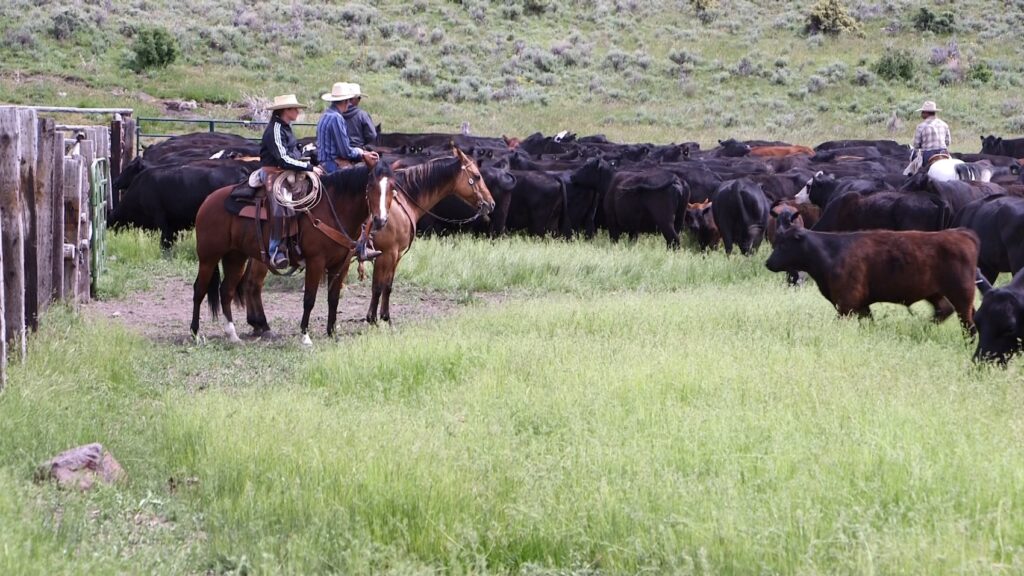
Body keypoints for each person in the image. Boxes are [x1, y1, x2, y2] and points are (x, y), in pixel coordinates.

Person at [318, 82, 381, 261]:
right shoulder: (337, 118)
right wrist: (363, 153)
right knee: (365, 193)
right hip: (335, 166)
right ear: (347, 101)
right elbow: (345, 150)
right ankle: (363, 244)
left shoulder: (325, 116)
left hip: (323, 163)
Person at [259, 94, 323, 269]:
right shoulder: (275, 130)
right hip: (274, 173)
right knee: (282, 203)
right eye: (295, 109)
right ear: (285, 110)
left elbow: (292, 153)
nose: (298, 111)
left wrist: (306, 159)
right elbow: (282, 159)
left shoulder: (285, 127)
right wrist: (308, 167)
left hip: (288, 172)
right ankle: (276, 250)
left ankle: (300, 242)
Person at [912, 100, 951, 167]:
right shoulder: (944, 124)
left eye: (922, 112)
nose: (921, 114)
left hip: (928, 154)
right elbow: (948, 142)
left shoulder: (921, 126)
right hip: (943, 152)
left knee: (916, 169)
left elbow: (916, 145)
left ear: (926, 113)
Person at [341, 83, 378, 149]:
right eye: (359, 98)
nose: (359, 100)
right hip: (358, 149)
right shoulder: (362, 115)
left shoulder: (335, 114)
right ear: (354, 99)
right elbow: (372, 135)